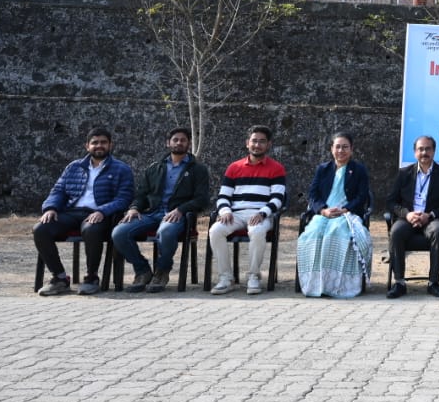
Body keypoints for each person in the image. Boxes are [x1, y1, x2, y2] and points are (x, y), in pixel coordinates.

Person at [34, 127, 135, 296]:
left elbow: (124, 198)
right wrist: (50, 208)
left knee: (91, 229)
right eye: (94, 143)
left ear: (110, 145)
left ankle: (91, 277)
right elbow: (58, 190)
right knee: (41, 229)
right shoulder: (74, 167)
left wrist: (102, 211)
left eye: (103, 142)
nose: (99, 146)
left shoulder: (121, 169)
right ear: (87, 146)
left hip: (101, 215)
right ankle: (59, 278)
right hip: (71, 212)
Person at [112, 126, 212, 293]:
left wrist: (181, 209)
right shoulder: (154, 168)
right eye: (175, 140)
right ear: (168, 143)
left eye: (183, 140)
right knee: (119, 233)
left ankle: (162, 271)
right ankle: (142, 270)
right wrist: (134, 208)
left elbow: (202, 199)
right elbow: (141, 194)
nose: (179, 142)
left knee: (165, 231)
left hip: (178, 215)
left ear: (188, 143)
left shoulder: (198, 169)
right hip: (152, 212)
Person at [209, 125, 287, 295]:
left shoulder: (276, 168)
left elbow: (278, 198)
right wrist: (225, 212)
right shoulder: (234, 167)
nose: (257, 145)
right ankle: (226, 278)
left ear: (268, 145)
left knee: (258, 231)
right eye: (254, 141)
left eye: (262, 142)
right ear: (247, 143)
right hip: (235, 214)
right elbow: (223, 196)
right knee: (215, 230)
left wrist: (262, 213)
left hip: (261, 214)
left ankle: (253, 276)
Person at [297, 131, 373, 298]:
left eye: (345, 147)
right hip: (325, 213)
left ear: (351, 150)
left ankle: (337, 285)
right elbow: (313, 195)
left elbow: (362, 196)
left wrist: (345, 209)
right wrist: (323, 210)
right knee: (312, 234)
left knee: (336, 233)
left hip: (347, 214)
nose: (341, 150)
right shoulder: (323, 169)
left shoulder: (359, 170)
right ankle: (315, 283)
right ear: (331, 149)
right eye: (337, 147)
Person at [386, 135, 439, 298]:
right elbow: (391, 202)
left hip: (432, 219)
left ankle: (433, 283)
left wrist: (430, 215)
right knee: (396, 232)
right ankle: (399, 283)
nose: (424, 152)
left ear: (434, 151)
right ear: (414, 152)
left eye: (428, 149)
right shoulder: (404, 174)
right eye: (420, 149)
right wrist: (407, 214)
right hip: (407, 219)